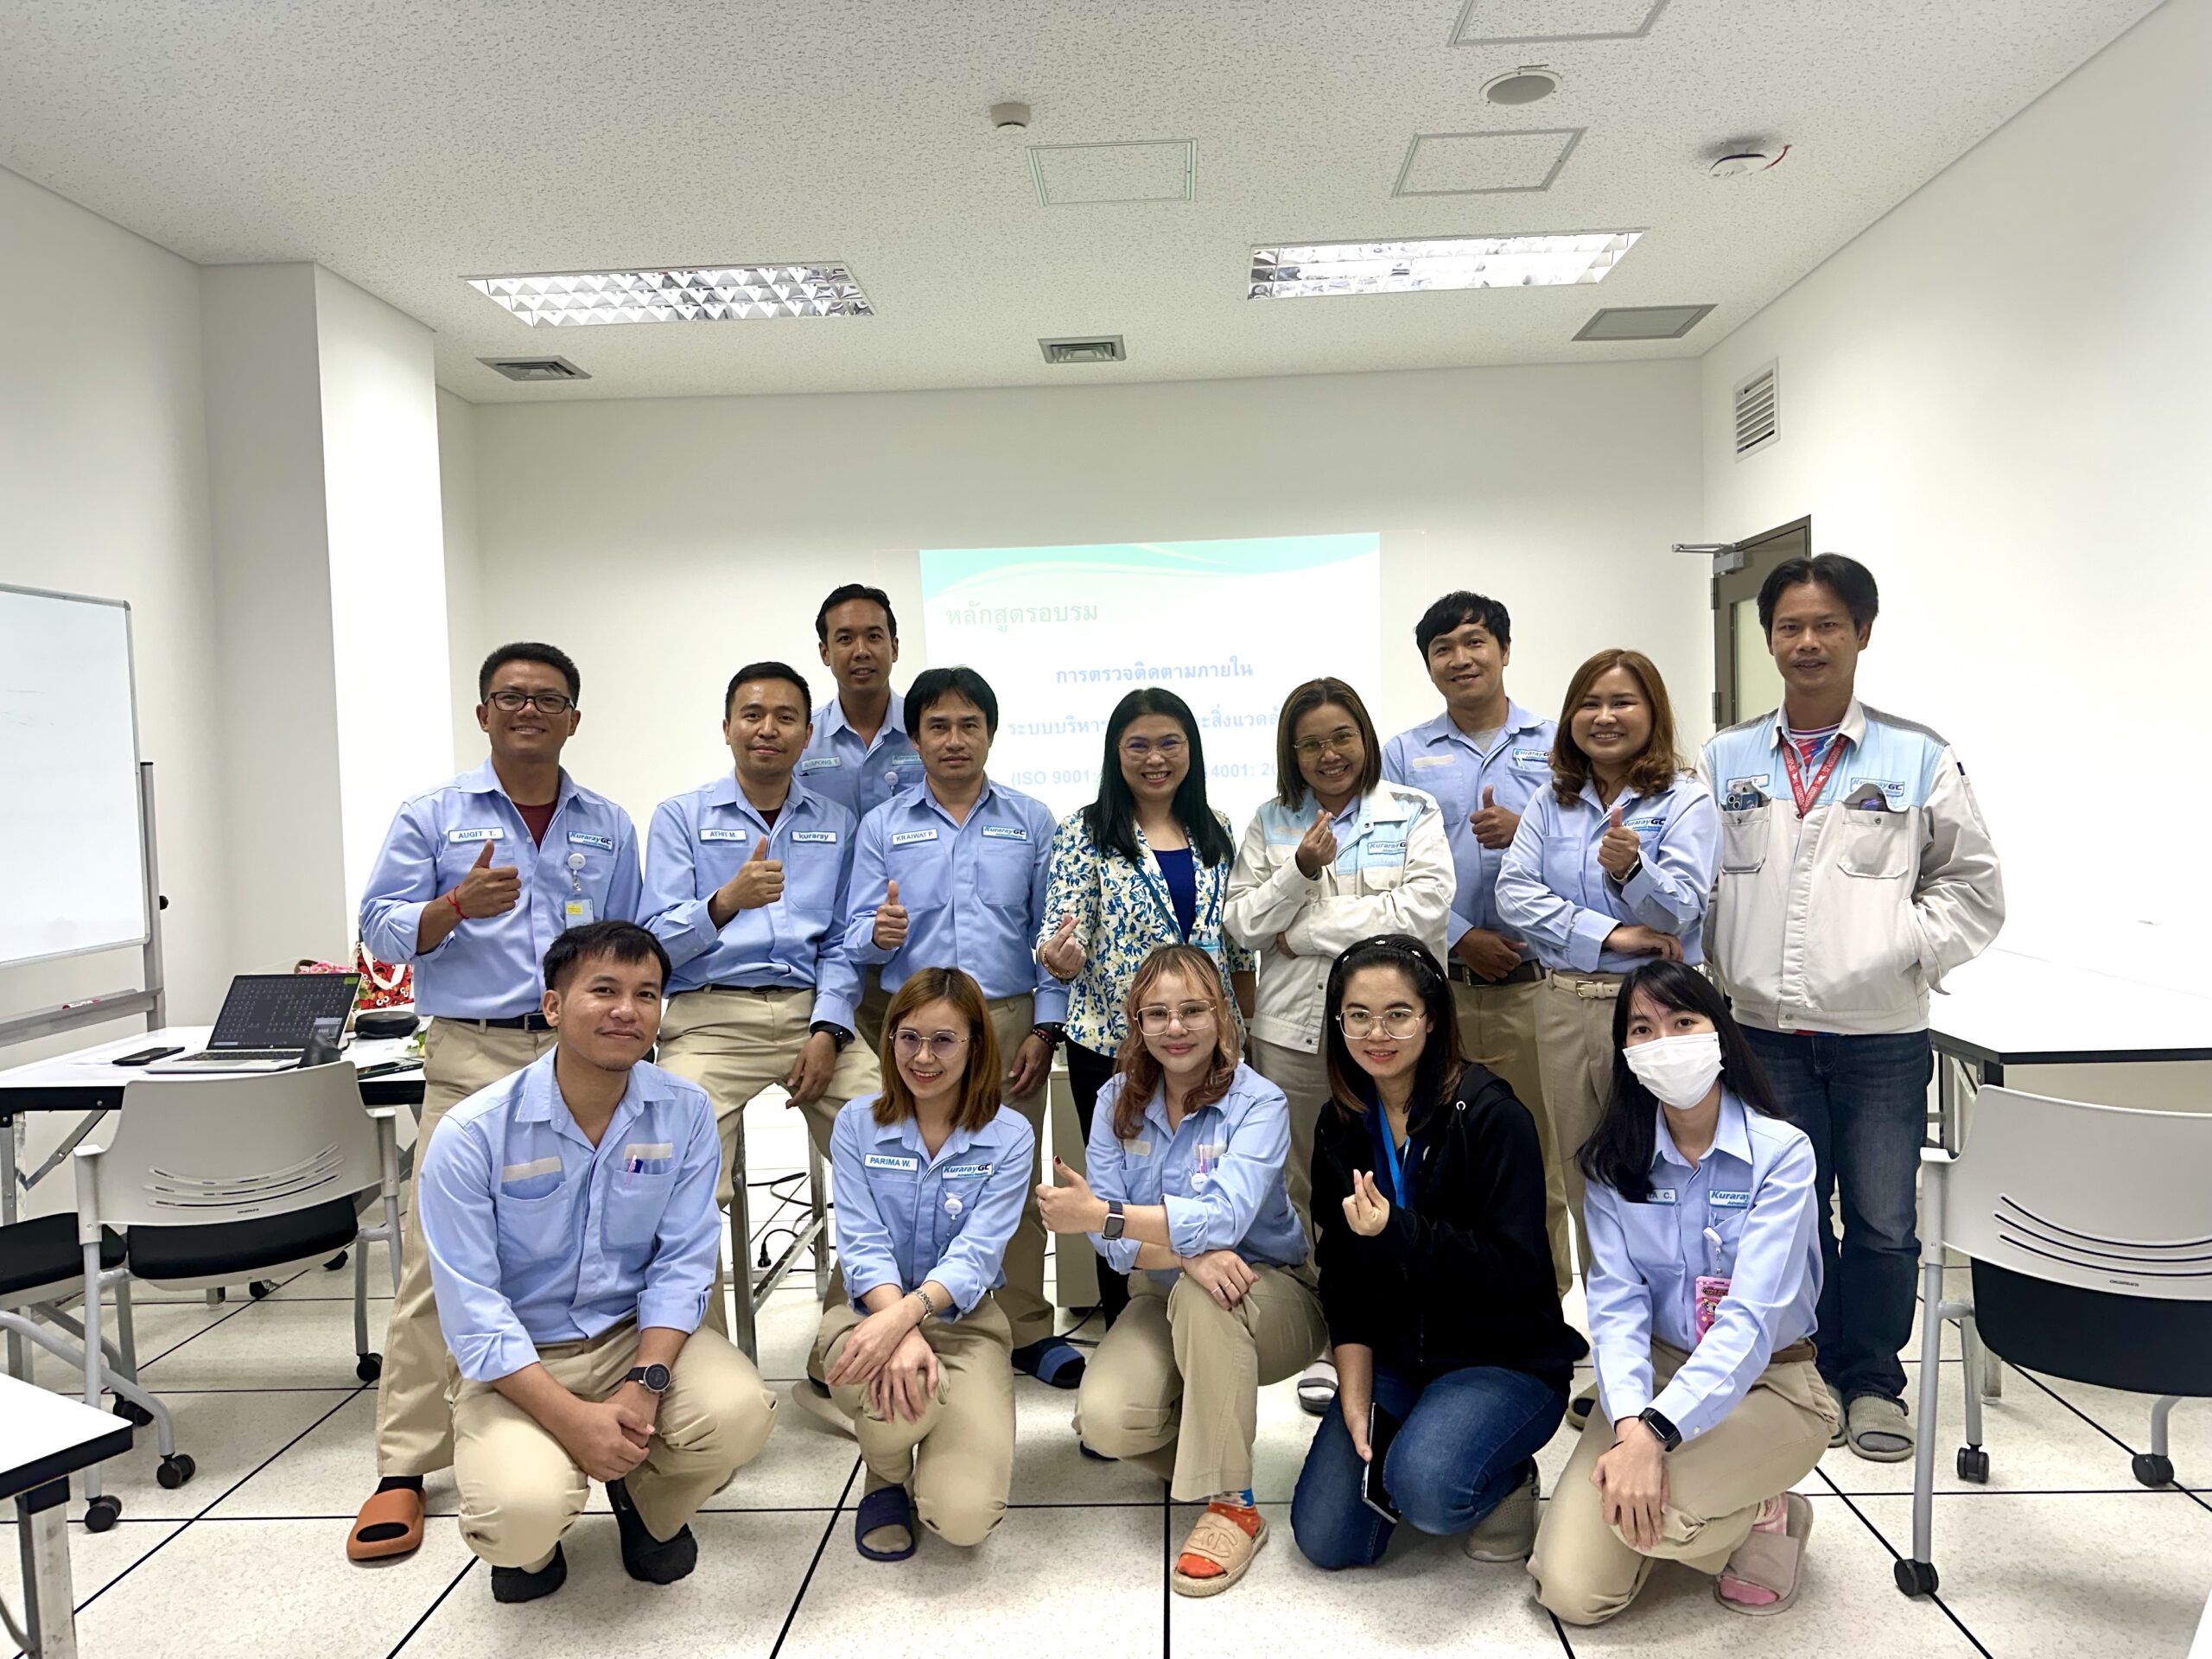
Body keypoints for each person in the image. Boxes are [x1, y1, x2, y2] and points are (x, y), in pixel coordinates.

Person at [1699, 555, 2002, 1463]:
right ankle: (1802, 1377)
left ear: (1862, 633)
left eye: (1827, 624)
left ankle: (1871, 1382)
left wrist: (1897, 947)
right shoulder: (1725, 758)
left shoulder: (1917, 755)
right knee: (1785, 1215)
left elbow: (1973, 889)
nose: (1808, 641)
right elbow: (1699, 882)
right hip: (1763, 1034)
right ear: (1767, 640)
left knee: (1881, 1221)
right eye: (1789, 626)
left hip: (1880, 1038)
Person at [347, 642, 642, 1565]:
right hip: (474, 1050)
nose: (528, 711)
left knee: (608, 1230)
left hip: (582, 1053)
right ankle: (405, 1462)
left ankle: (624, 1431)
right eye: (510, 697)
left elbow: (626, 942)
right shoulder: (434, 814)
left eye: (548, 698)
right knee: (437, 1255)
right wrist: (451, 908)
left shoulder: (607, 823)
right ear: (482, 714)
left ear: (573, 719)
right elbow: (379, 929)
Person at [416, 921, 777, 1604]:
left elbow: (683, 1264)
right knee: (519, 1515)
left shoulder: (684, 1112)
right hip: (520, 1359)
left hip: (630, 1338)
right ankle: (534, 1539)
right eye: (604, 990)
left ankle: (643, 1498)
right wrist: (572, 1421)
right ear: (553, 1007)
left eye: (647, 994)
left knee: (739, 1413)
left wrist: (645, 1382)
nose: (626, 1010)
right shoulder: (473, 1134)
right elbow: (473, 1310)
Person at [1528, 960, 1838, 1624]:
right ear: (1625, 1053)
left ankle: (1767, 1510)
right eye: (1642, 1029)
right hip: (1656, 1373)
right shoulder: (1613, 1165)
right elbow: (1616, 1310)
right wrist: (1632, 1424)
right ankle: (1725, 1507)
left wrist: (1656, 1435)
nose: (1664, 1041)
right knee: (1571, 1592)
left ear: (1719, 1032)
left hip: (1771, 1382)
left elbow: (1749, 1321)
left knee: (1658, 1513)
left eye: (1683, 1021)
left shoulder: (1782, 1154)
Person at [1289, 936, 1584, 1573]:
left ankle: (1508, 1474)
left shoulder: (1491, 1115)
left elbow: (1516, 1270)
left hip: (1500, 1358)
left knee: (1429, 1487)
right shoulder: (1342, 1123)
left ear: (1432, 1018)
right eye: (1358, 1016)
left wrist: (1397, 1230)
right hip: (1397, 1357)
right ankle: (1425, 1433)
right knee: (1326, 1539)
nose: (1377, 1034)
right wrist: (1355, 1393)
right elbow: (1341, 1276)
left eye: (1397, 1014)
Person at [1040, 944, 1324, 1598]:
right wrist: (1184, 1253)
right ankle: (1214, 1452)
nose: (1176, 1027)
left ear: (1222, 1014)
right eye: (1157, 1014)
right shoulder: (1115, 1099)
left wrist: (1105, 1215)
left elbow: (1220, 1220)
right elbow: (1114, 1249)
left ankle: (1233, 1503)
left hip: (1270, 1291)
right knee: (1106, 1420)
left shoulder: (1259, 1102)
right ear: (1136, 1023)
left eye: (1192, 1010)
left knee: (1206, 1295)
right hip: (1163, 1288)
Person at [641, 662, 881, 1393]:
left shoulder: (837, 823)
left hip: (813, 1012)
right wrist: (724, 902)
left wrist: (829, 1030)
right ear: (727, 728)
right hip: (710, 1016)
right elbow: (653, 940)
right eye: (752, 714)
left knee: (897, 1150)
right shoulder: (681, 817)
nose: (767, 729)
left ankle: (843, 1345)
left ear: (808, 736)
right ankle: (703, 1369)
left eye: (785, 717)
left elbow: (843, 943)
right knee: (674, 1183)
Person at [842, 665, 1083, 1389]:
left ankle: (1025, 1327)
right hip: (914, 1026)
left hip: (1005, 1018)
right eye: (938, 726)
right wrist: (878, 935)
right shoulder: (883, 826)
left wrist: (1046, 1028)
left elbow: (1051, 935)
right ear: (914, 738)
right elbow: (853, 935)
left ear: (991, 733)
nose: (954, 740)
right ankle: (905, 1313)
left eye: (968, 725)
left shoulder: (1031, 819)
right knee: (903, 1175)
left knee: (1012, 1174)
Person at [1226, 677, 1453, 1412]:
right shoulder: (1271, 823)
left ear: (1365, 737)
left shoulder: (1413, 811)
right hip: (1295, 1034)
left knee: (1401, 1177)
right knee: (1308, 1188)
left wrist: (1307, 930)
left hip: (1393, 1034)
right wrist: (1298, 872)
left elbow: (1422, 911)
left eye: (1341, 737)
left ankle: (1408, 1324)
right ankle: (1330, 1334)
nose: (1329, 754)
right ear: (1292, 753)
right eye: (1311, 744)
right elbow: (1243, 925)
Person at [1497, 649, 1719, 1290]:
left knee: (1661, 1169)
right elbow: (1514, 894)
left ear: (1653, 712)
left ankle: (1673, 1330)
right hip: (1563, 1004)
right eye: (1589, 704)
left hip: (1654, 1011)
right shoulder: (1550, 801)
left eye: (1623, 702)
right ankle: (1613, 1329)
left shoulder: (1685, 800)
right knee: (1581, 1175)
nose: (1604, 717)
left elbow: (1681, 909)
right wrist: (1614, 933)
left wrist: (1632, 870)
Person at [1037, 687, 1256, 1328]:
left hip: (1209, 1040)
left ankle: (1203, 1317)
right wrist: (1061, 957)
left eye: (1169, 743)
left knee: (1205, 1181)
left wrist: (1244, 1031)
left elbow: (1235, 947)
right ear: (1116, 753)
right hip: (1115, 1044)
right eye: (1138, 745)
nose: (1155, 758)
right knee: (1116, 1194)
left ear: (1191, 749)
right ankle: (1126, 1327)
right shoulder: (1086, 830)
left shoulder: (1215, 826)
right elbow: (1064, 930)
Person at [1380, 592, 1569, 1297]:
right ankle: (1450, 1302)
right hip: (1442, 988)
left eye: (1474, 642)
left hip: (1536, 985)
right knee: (1440, 1154)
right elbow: (1390, 865)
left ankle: (1544, 1304)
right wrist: (1461, 935)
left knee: (1541, 1155)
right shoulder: (1403, 754)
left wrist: (1527, 832)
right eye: (1443, 649)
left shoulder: (1559, 743)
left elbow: (1587, 853)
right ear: (1428, 664)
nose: (1460, 659)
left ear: (1504, 650)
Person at [815, 967, 1032, 1560]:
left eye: (943, 1040)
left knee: (964, 1516)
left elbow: (979, 1252)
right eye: (908, 1037)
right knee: (903, 1391)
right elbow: (861, 1242)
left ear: (976, 1045)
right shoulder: (857, 1124)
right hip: (867, 1316)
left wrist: (908, 1316)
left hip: (965, 1327)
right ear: (889, 1040)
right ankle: (886, 1476)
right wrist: (897, 1325)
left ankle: (927, 1443)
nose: (923, 1057)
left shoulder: (1010, 1135)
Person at [800, 583, 926, 1053]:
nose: (861, 651)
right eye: (845, 638)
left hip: (913, 942)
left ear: (894, 646)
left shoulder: (928, 731)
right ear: (824, 652)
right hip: (828, 949)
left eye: (874, 636)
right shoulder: (802, 740)